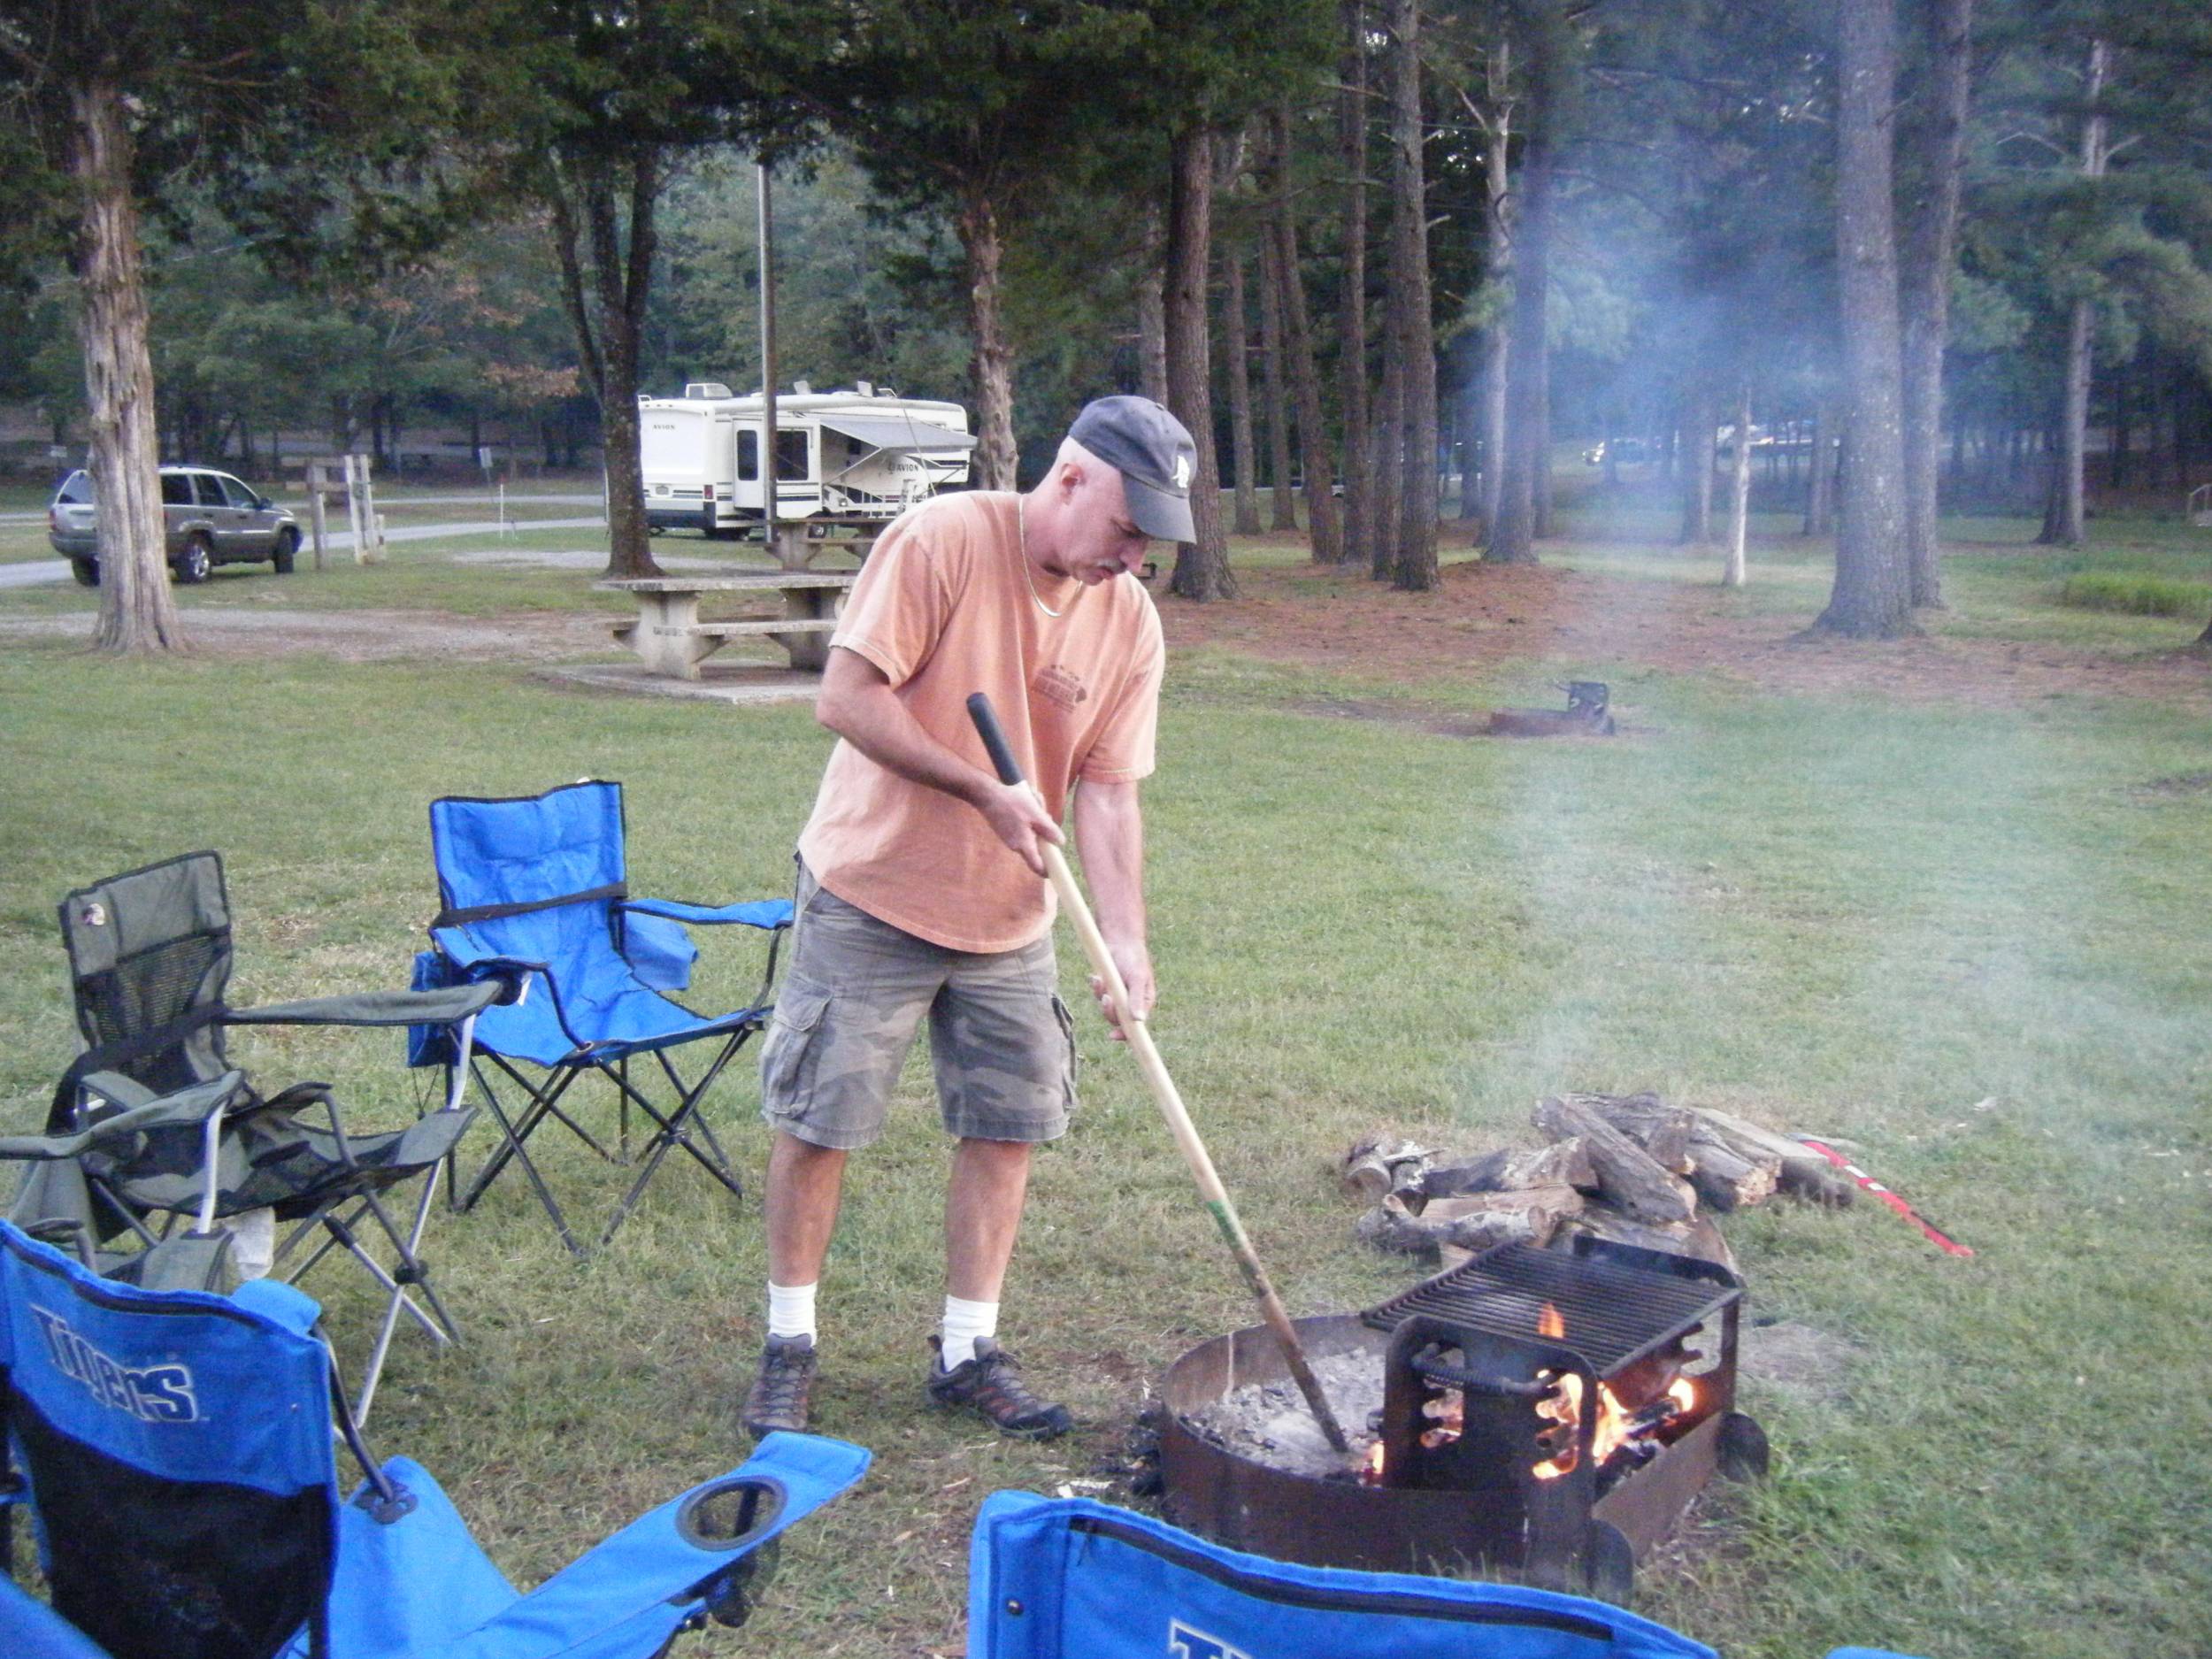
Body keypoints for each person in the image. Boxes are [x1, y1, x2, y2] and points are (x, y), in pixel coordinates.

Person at [741, 396, 1194, 1442]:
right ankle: (790, 1343)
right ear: (1071, 477)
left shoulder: (1128, 619)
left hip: (1012, 921)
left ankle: (966, 1349)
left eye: (1151, 543)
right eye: (1127, 530)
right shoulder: (942, 539)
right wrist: (978, 790)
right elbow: (848, 698)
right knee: (822, 1119)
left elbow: (1111, 790)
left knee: (1008, 1123)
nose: (1133, 560)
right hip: (874, 889)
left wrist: (1126, 941)